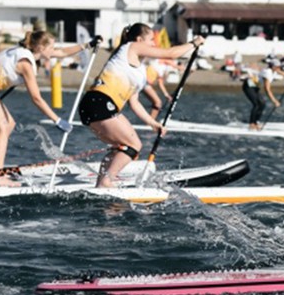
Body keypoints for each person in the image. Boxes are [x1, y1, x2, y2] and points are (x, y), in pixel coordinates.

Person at [77, 24, 203, 187]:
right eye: (151, 40)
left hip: (93, 105)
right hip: (99, 101)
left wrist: (154, 124)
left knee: (119, 146)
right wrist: (194, 43)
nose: (153, 44)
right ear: (139, 39)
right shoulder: (131, 47)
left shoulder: (140, 73)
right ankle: (108, 180)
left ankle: (101, 183)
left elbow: (134, 103)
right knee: (134, 145)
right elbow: (171, 53)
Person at [0, 31, 89, 183]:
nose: (54, 50)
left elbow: (62, 52)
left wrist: (87, 45)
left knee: (9, 125)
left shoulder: (28, 52)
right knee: (2, 128)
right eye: (51, 47)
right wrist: (57, 120)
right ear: (41, 48)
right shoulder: (25, 64)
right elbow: (36, 98)